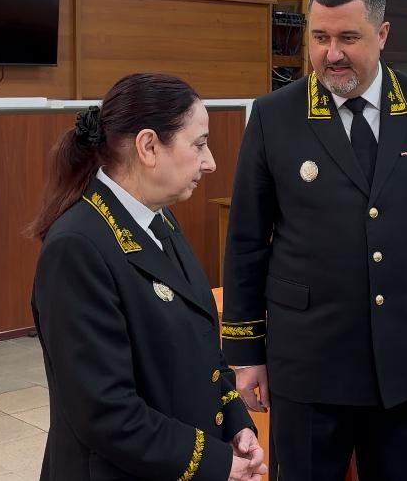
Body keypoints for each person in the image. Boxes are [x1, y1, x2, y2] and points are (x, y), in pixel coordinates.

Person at [221, 0, 407, 480]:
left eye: (348, 38)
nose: (331, 54)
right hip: (308, 361)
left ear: (382, 35)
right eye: (319, 38)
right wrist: (247, 353)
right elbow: (247, 242)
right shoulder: (275, 115)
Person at [29, 73, 268, 481]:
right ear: (148, 146)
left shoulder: (158, 220)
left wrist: (235, 422)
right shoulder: (77, 248)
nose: (210, 162)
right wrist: (214, 463)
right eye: (199, 144)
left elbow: (200, 350)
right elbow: (105, 412)